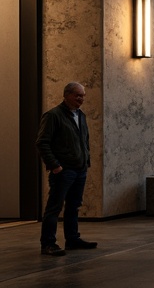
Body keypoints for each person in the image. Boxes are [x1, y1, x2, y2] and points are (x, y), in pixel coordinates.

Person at [36, 82, 96, 256]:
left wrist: (86, 162)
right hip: (64, 171)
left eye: (83, 96)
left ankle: (72, 239)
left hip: (79, 170)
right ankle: (48, 243)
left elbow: (84, 141)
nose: (81, 99)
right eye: (78, 95)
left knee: (73, 206)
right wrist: (55, 166)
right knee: (54, 207)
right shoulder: (53, 116)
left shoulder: (81, 116)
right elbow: (42, 142)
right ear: (66, 95)